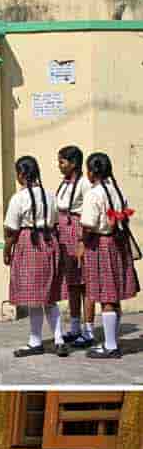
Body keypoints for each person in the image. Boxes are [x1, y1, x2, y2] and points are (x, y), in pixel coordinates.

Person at [78, 151, 140, 360]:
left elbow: (88, 225)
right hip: (118, 243)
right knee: (113, 295)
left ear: (92, 172)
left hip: (101, 245)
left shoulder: (94, 194)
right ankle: (111, 341)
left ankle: (111, 346)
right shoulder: (117, 191)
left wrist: (82, 245)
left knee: (106, 295)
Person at [3, 155, 63, 358]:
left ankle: (35, 341)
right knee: (49, 296)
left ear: (21, 174)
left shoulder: (18, 198)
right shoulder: (50, 195)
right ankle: (59, 339)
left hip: (29, 243)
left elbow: (11, 229)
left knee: (33, 297)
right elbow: (56, 221)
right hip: (49, 241)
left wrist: (7, 250)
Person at [54, 145, 92, 347]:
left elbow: (88, 212)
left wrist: (82, 241)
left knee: (85, 283)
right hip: (64, 235)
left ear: (74, 163)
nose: (59, 166)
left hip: (77, 233)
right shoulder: (65, 183)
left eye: (62, 162)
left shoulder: (85, 184)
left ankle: (89, 331)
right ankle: (75, 328)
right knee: (72, 284)